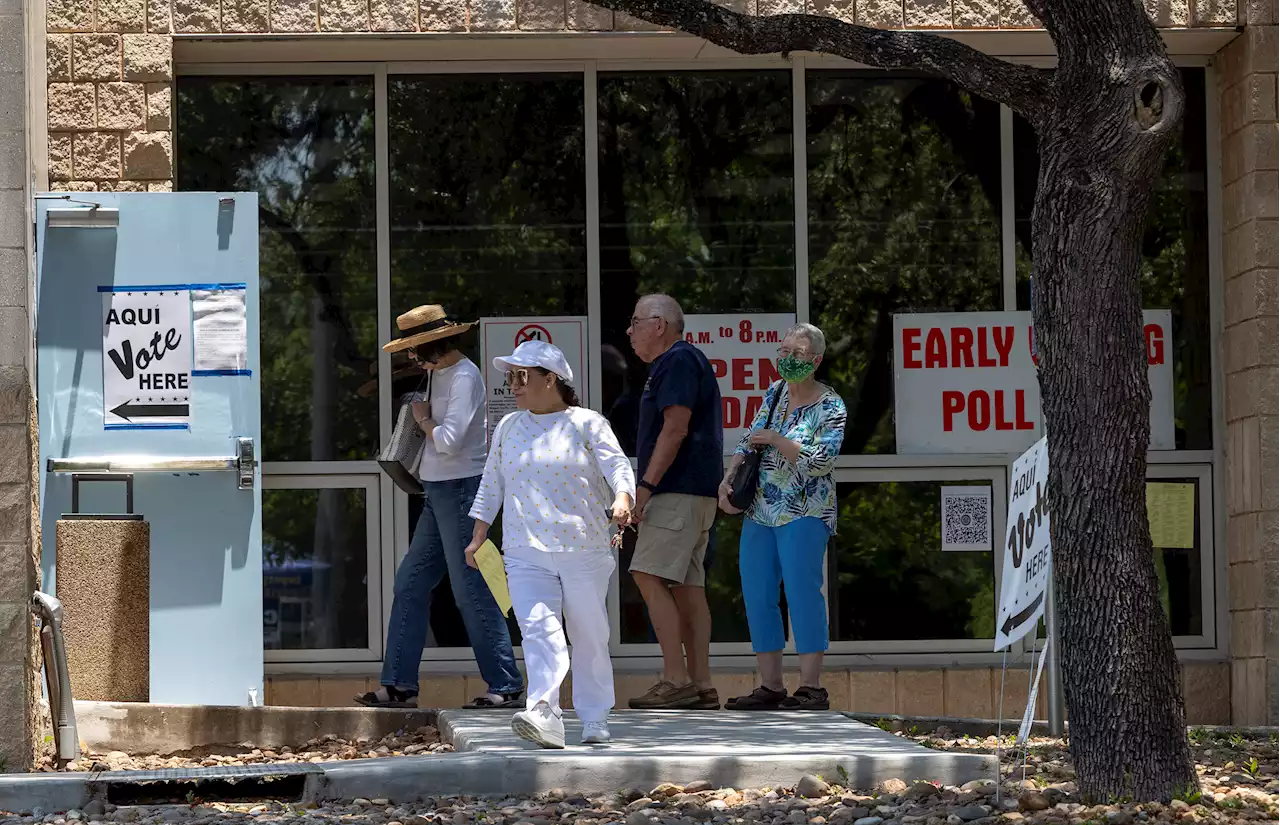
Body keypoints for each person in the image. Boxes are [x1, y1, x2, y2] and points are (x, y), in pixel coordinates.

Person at [466, 340, 635, 749]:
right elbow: (492, 482)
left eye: (521, 376)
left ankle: (594, 716)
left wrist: (623, 497)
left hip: (585, 548)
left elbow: (617, 465)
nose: (514, 385)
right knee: (539, 631)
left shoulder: (587, 422)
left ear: (550, 379)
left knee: (588, 632)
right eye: (510, 377)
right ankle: (544, 711)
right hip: (525, 551)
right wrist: (478, 535)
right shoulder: (509, 427)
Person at [357, 304, 524, 710]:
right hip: (438, 492)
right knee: (410, 585)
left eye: (416, 350)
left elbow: (448, 440)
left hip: (461, 489)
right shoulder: (440, 374)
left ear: (437, 343)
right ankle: (399, 684)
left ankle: (504, 684)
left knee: (472, 588)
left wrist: (422, 419)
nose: (413, 358)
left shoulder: (465, 376)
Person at [719, 323, 847, 711]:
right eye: (784, 351)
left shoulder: (831, 406)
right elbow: (749, 437)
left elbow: (820, 462)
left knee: (802, 593)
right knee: (758, 594)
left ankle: (810, 686)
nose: (789, 360)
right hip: (761, 509)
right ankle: (771, 685)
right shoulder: (774, 393)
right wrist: (729, 476)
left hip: (805, 510)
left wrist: (777, 439)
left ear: (816, 361)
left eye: (799, 354)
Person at [626, 294, 724, 711]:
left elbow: (675, 429)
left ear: (659, 325)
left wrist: (645, 486)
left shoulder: (677, 361)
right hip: (695, 493)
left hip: (676, 491)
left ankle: (675, 679)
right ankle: (700, 683)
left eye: (635, 322)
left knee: (646, 574)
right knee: (687, 587)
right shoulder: (684, 361)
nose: (629, 331)